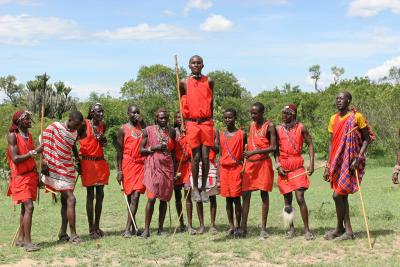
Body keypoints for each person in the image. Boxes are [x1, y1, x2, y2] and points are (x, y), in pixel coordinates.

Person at [323, 91, 372, 241]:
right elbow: (332, 143)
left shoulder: (356, 116)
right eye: (336, 98)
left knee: (338, 194)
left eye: (341, 98)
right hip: (336, 161)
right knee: (340, 195)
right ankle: (343, 230)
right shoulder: (333, 118)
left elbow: (367, 138)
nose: (338, 101)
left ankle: (344, 230)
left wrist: (359, 157)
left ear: (349, 100)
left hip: (350, 161)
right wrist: (328, 164)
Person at [42, 111, 85, 244]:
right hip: (54, 167)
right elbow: (43, 143)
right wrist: (43, 162)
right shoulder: (55, 127)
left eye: (79, 126)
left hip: (67, 168)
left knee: (65, 201)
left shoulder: (75, 132)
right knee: (71, 199)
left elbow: (72, 145)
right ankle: (73, 235)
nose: (77, 128)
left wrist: (77, 159)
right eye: (76, 124)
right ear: (70, 119)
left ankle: (62, 233)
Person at [275, 104, 315, 240]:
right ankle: (291, 230)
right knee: (287, 201)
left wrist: (312, 163)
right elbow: (274, 149)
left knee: (300, 198)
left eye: (287, 113)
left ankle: (307, 230)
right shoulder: (278, 129)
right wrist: (278, 164)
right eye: (283, 113)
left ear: (293, 115)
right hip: (283, 167)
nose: (284, 116)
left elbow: (310, 143)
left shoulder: (301, 127)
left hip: (297, 165)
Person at [179, 55, 214, 202]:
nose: (196, 65)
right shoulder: (183, 82)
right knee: (196, 157)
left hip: (206, 122)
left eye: (198, 62)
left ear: (203, 65)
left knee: (206, 157)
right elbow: (182, 102)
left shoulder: (209, 80)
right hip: (192, 123)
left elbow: (211, 101)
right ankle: (194, 188)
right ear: (189, 65)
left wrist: (211, 119)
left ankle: (204, 188)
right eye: (193, 63)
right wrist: (182, 123)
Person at [7, 111, 43, 252]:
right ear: (19, 121)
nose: (30, 120)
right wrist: (35, 151)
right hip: (20, 177)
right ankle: (28, 243)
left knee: (24, 208)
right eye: (26, 118)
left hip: (30, 175)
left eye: (29, 117)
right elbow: (15, 158)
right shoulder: (13, 136)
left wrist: (38, 175)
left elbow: (31, 158)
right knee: (29, 207)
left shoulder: (29, 136)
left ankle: (21, 239)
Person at [240, 102, 276, 239]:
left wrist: (255, 151)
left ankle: (263, 229)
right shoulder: (251, 126)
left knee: (264, 194)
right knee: (246, 195)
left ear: (262, 113)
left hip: (263, 163)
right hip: (250, 164)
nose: (252, 116)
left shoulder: (270, 126)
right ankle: (243, 228)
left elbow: (273, 148)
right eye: (251, 113)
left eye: (255, 113)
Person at [140, 108, 176, 238]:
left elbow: (175, 151)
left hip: (167, 167)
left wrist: (175, 171)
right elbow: (141, 150)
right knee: (151, 198)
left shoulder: (171, 131)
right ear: (156, 118)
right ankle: (146, 229)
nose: (164, 120)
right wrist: (154, 148)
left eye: (166, 118)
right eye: (161, 118)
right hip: (153, 166)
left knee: (164, 199)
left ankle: (161, 228)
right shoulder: (148, 130)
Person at [78, 103, 110, 239]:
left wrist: (103, 140)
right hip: (87, 162)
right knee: (90, 194)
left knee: (101, 194)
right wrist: (76, 159)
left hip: (100, 161)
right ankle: (91, 229)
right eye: (98, 112)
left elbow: (102, 143)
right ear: (91, 113)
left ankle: (97, 226)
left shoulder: (102, 125)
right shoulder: (84, 124)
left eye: (102, 111)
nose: (101, 114)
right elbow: (74, 139)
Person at [116, 105, 146, 237]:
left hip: (140, 165)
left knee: (136, 195)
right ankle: (133, 226)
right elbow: (119, 152)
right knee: (129, 196)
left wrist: (143, 122)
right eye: (133, 113)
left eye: (138, 113)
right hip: (127, 164)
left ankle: (127, 229)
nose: (136, 115)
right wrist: (119, 171)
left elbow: (150, 135)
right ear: (128, 114)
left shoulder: (143, 127)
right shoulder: (123, 129)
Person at [218, 108, 246, 236]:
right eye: (225, 118)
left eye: (230, 117)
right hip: (224, 170)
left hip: (236, 170)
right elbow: (220, 153)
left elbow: (246, 153)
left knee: (236, 199)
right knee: (228, 200)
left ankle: (239, 226)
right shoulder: (221, 134)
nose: (227, 120)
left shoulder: (242, 134)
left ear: (235, 118)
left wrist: (244, 169)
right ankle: (231, 226)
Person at [173, 112, 190, 232]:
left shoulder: (189, 130)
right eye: (178, 118)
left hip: (187, 165)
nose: (180, 120)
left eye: (182, 118)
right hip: (176, 167)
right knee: (178, 197)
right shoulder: (172, 132)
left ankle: (189, 225)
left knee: (187, 195)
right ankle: (181, 223)